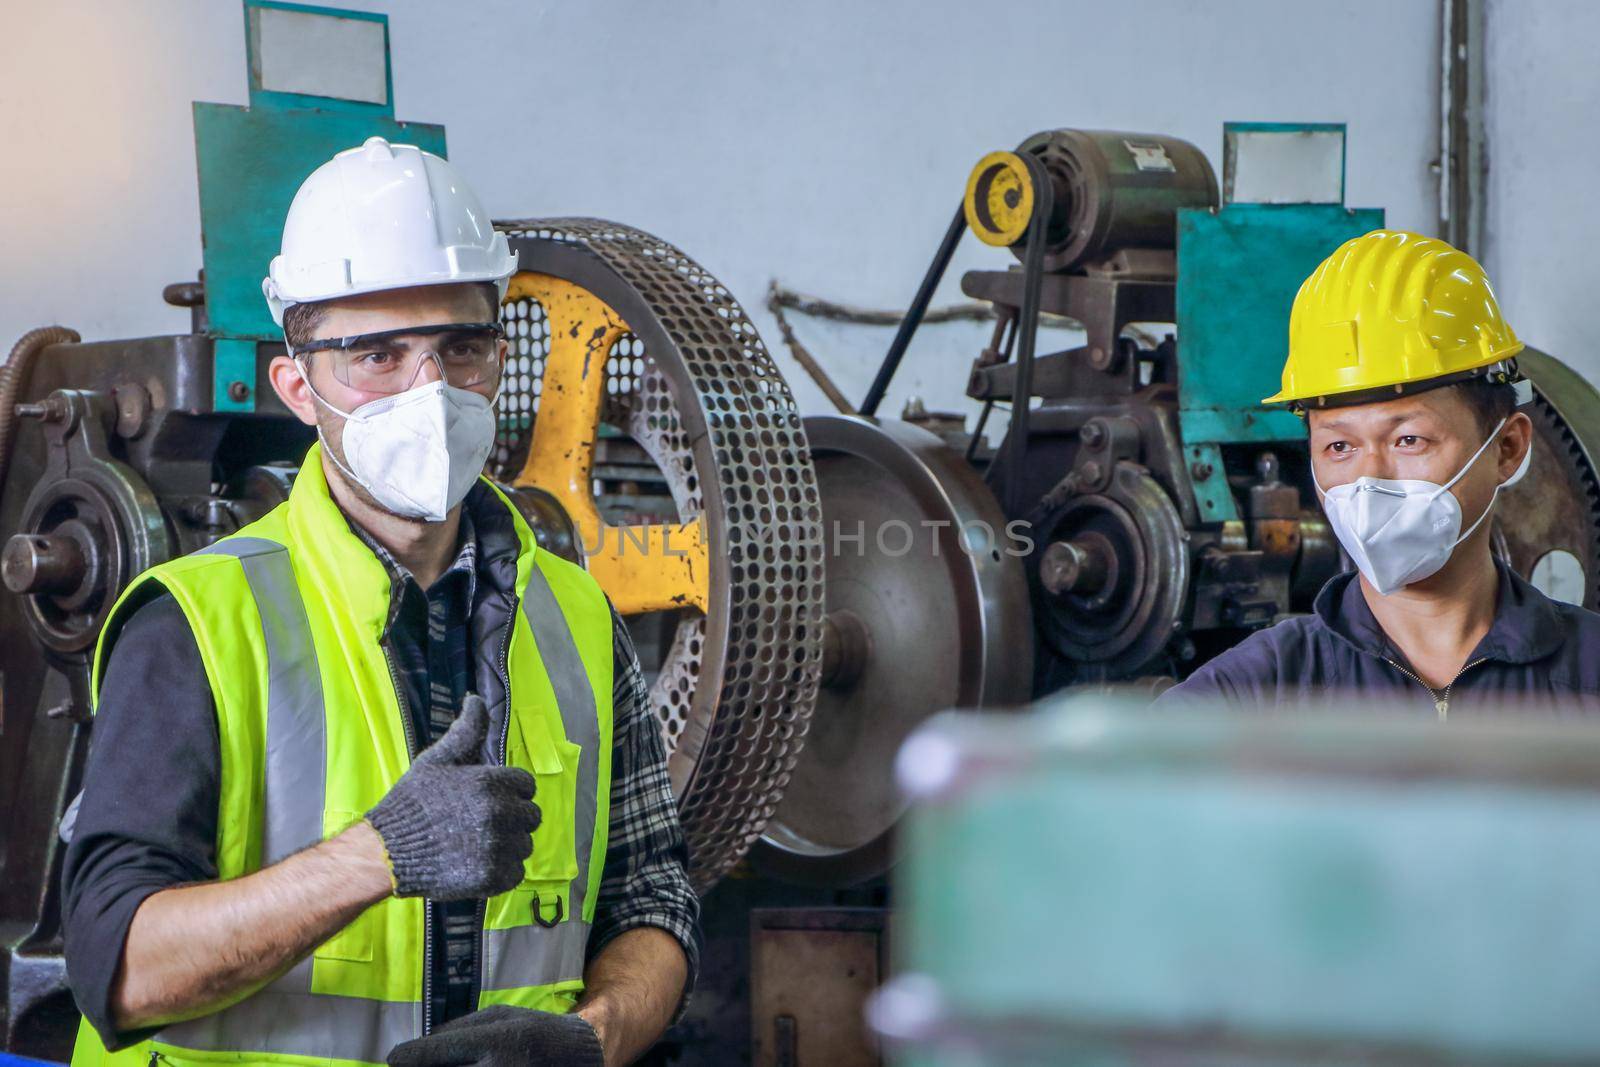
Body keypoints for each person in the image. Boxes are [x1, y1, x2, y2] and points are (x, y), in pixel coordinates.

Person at [60, 137, 698, 1067]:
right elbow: (117, 971)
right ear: (299, 387)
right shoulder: (196, 623)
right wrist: (377, 855)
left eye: (462, 348)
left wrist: (590, 1038)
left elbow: (655, 899)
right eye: (376, 354)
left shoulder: (576, 617)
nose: (429, 391)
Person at [1160, 229, 1600, 713]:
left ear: (1507, 449)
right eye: (1339, 445)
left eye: (1408, 440)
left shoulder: (1588, 679)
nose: (1369, 479)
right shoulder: (1256, 694)